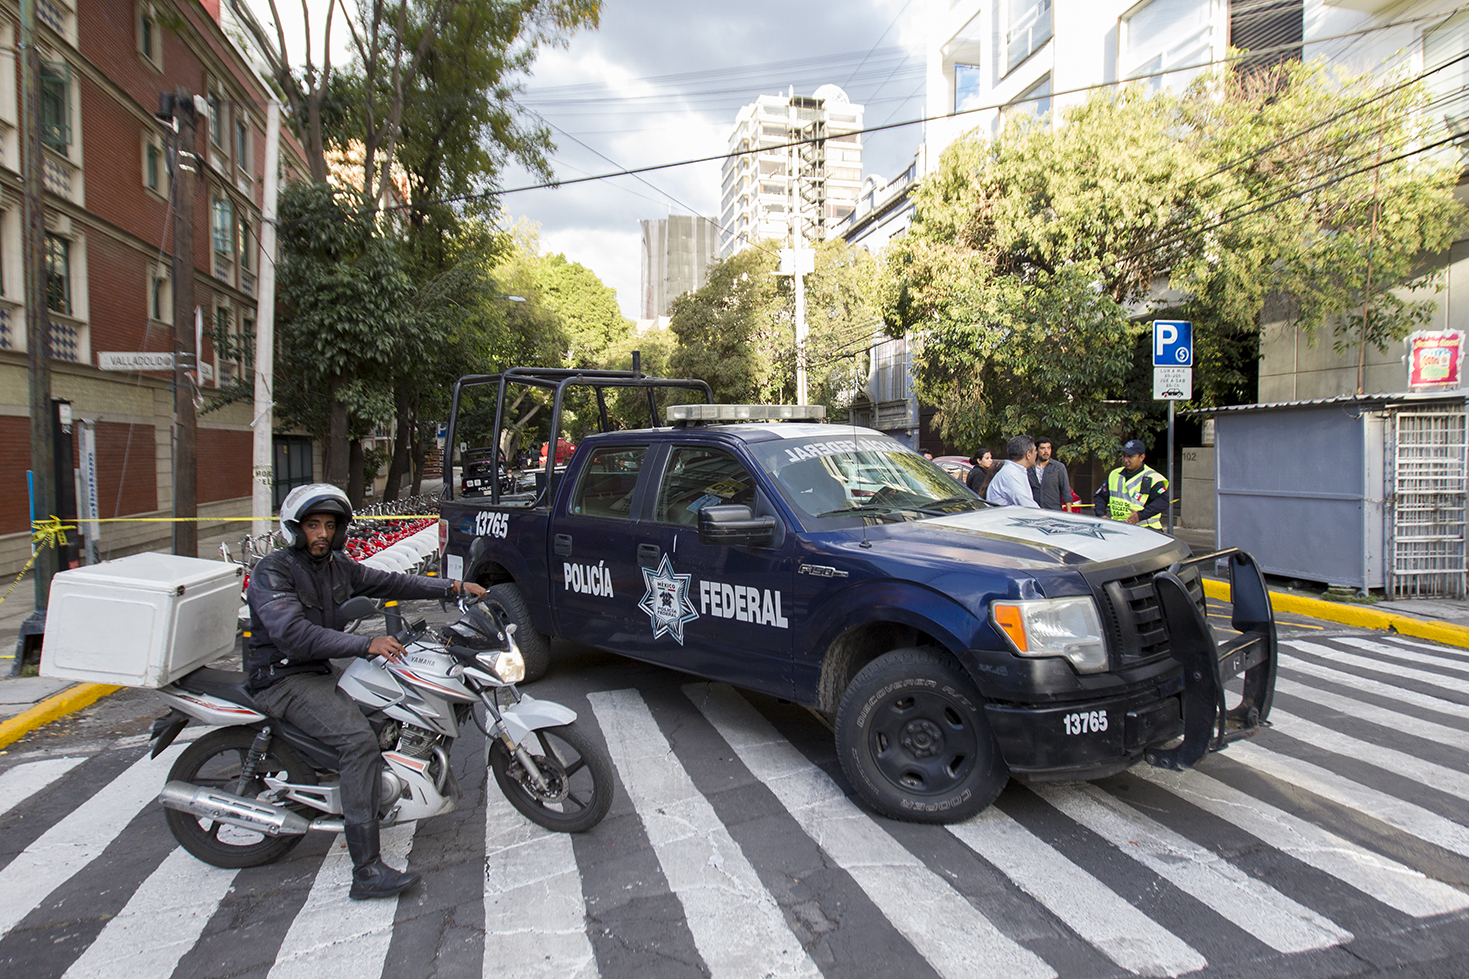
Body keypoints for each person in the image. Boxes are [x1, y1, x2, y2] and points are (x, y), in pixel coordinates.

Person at [245, 483, 486, 900]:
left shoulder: (337, 566)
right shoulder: (274, 571)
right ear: (295, 528)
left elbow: (392, 583)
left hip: (315, 667)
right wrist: (366, 643)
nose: (321, 533)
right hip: (283, 676)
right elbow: (292, 633)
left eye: (329, 525)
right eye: (312, 525)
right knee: (358, 743)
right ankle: (367, 872)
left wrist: (452, 588)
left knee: (382, 707)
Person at [1094, 439, 1170, 529]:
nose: (1126, 460)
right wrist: (1101, 515)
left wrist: (1140, 515)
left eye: (1130, 456)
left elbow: (1163, 501)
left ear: (1142, 457)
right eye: (1124, 456)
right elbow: (1101, 496)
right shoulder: (1115, 474)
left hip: (1146, 529)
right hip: (1119, 528)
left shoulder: (1153, 477)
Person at [986, 436, 1041, 508]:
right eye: (1035, 450)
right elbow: (1028, 505)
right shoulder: (1011, 474)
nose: (1037, 453)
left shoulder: (1014, 471)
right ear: (1028, 454)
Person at [1027, 437, 1072, 511]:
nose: (1046, 451)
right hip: (1034, 510)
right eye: (1042, 448)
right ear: (1036, 450)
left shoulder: (1058, 467)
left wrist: (1069, 512)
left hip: (1054, 510)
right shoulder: (1029, 468)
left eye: (1048, 448)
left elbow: (1065, 490)